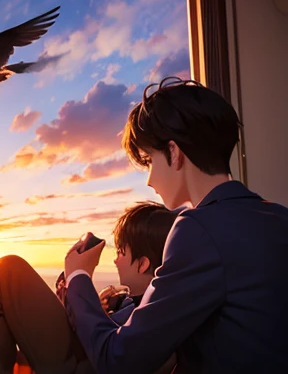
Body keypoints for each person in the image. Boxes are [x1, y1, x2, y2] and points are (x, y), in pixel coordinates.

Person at [63, 78, 288, 373]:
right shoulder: (279, 217)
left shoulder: (197, 228)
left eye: (149, 160)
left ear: (173, 152)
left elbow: (119, 360)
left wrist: (77, 275)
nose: (149, 179)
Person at [0, 201, 179, 374]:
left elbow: (114, 349)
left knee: (8, 270)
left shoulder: (153, 313)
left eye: (120, 253)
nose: (115, 261)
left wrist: (80, 276)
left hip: (78, 365)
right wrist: (74, 301)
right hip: (77, 355)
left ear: (142, 264)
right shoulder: (128, 301)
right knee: (3, 273)